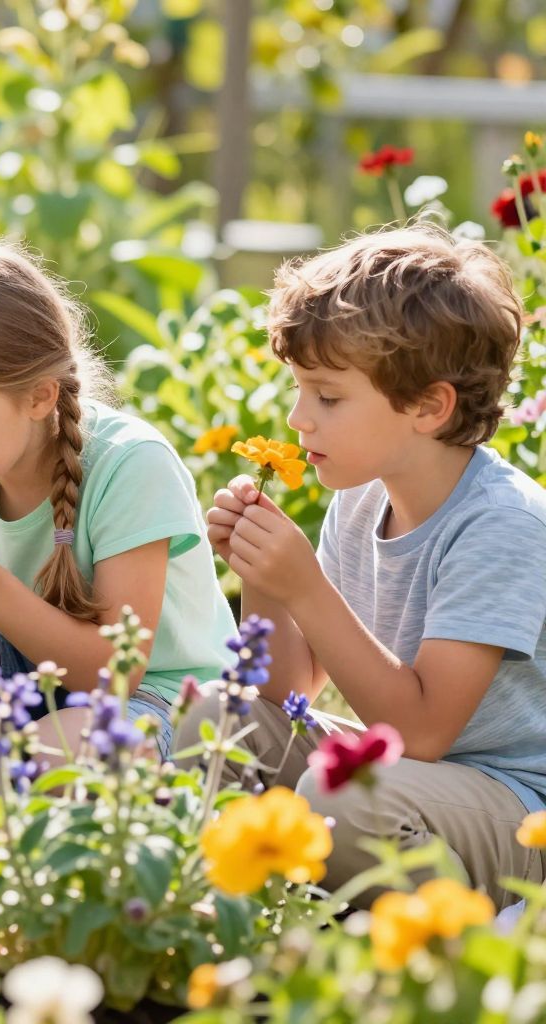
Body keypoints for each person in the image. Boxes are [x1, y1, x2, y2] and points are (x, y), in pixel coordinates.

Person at [185, 222, 546, 908]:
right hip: (416, 783)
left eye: (327, 396)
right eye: (298, 389)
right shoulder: (361, 497)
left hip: (519, 814)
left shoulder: (502, 524)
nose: (298, 419)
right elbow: (289, 688)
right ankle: (231, 914)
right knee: (215, 719)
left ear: (428, 406)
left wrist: (307, 587)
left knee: (342, 793)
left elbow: (423, 732)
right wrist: (265, 579)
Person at [0, 235, 236, 763]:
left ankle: (11, 809)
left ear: (38, 396)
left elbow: (114, 677)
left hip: (166, 703)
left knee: (59, 754)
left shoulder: (132, 464)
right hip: (30, 686)